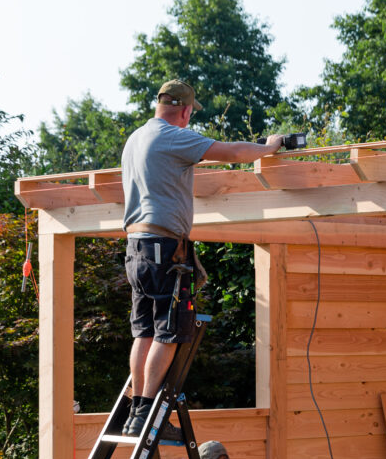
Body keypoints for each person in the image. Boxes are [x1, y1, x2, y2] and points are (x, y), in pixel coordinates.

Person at [120, 79, 283, 438]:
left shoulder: (136, 139)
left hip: (136, 249)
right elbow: (232, 152)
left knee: (143, 331)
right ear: (185, 110)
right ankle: (147, 413)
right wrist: (268, 148)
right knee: (167, 332)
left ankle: (135, 413)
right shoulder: (172, 137)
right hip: (162, 248)